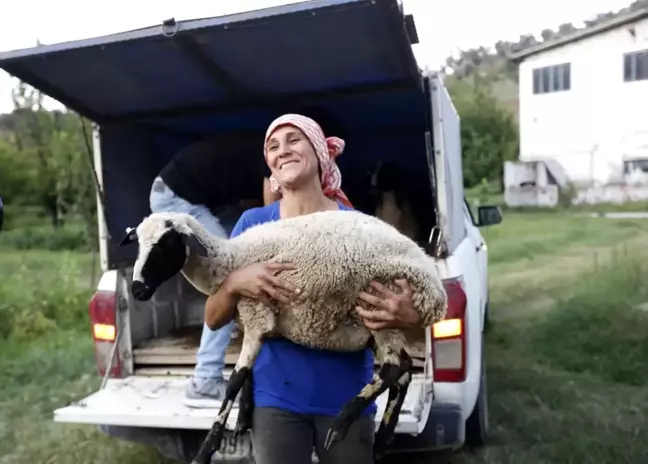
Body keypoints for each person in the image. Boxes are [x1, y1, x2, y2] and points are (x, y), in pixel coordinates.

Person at [203, 114, 423, 464]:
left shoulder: (357, 229)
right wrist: (233, 283)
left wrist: (410, 317)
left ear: (320, 152)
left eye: (294, 140)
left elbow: (408, 323)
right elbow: (213, 319)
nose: (282, 150)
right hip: (276, 402)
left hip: (347, 400)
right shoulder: (253, 226)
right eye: (273, 146)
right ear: (270, 167)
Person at [149, 133, 266, 408]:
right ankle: (205, 380)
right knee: (229, 277)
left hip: (207, 200)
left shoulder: (262, 154)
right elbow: (274, 215)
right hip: (174, 198)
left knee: (245, 246)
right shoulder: (270, 160)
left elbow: (256, 215)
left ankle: (234, 322)